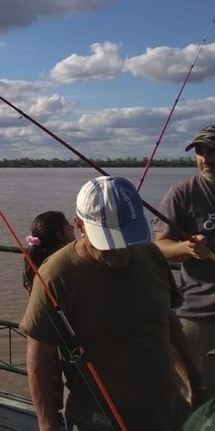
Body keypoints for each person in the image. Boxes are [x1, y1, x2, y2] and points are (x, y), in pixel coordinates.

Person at [20, 176, 202, 431]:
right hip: (99, 419)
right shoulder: (56, 274)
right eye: (109, 240)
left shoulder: (151, 255)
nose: (121, 249)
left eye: (128, 237)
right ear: (79, 225)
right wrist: (48, 424)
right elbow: (38, 358)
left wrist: (195, 380)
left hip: (168, 412)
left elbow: (168, 322)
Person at [155, 124, 215, 397]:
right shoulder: (182, 193)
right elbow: (161, 248)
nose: (206, 159)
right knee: (191, 397)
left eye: (212, 151)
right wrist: (187, 248)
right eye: (201, 152)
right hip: (197, 315)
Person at [21, 210, 75, 428]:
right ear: (61, 234)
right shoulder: (61, 265)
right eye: (68, 226)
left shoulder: (39, 262)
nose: (73, 228)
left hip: (45, 337)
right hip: (59, 344)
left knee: (51, 389)